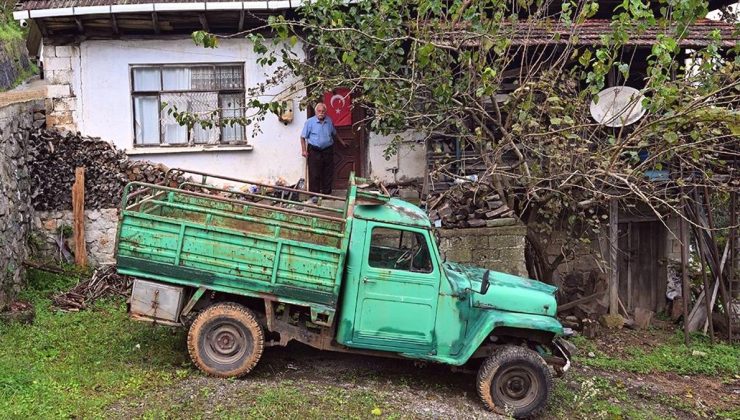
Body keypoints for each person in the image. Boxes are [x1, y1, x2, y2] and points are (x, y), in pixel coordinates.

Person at [300, 103, 345, 197]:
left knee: (328, 172)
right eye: (319, 111)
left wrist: (342, 142)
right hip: (314, 150)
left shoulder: (329, 120)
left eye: (323, 111)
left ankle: (326, 193)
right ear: (316, 112)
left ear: (325, 112)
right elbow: (302, 137)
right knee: (314, 173)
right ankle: (314, 195)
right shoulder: (309, 122)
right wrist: (304, 150)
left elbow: (334, 133)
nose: (321, 113)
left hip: (327, 150)